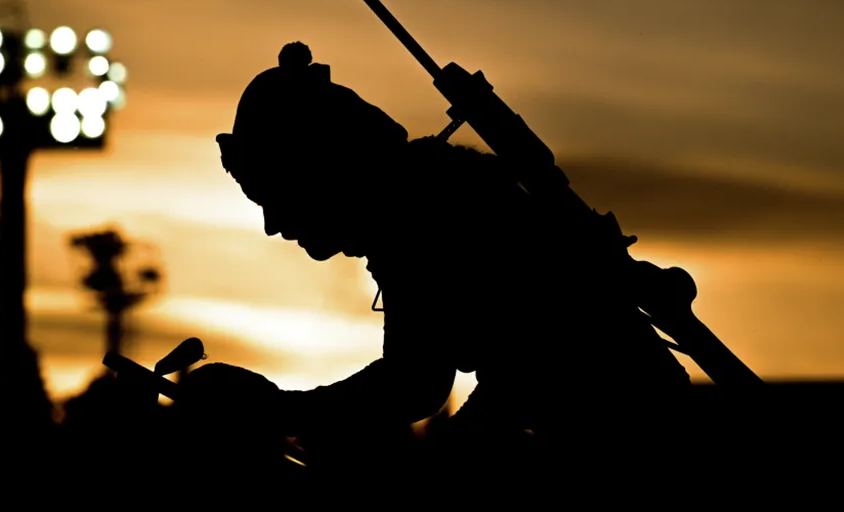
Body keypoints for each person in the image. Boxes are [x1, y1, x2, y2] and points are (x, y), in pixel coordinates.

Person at [181, 42, 695, 493]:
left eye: (275, 196)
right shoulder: (423, 191)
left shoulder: (418, 211)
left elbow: (416, 382)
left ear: (319, 171)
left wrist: (280, 411)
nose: (273, 224)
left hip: (623, 435)